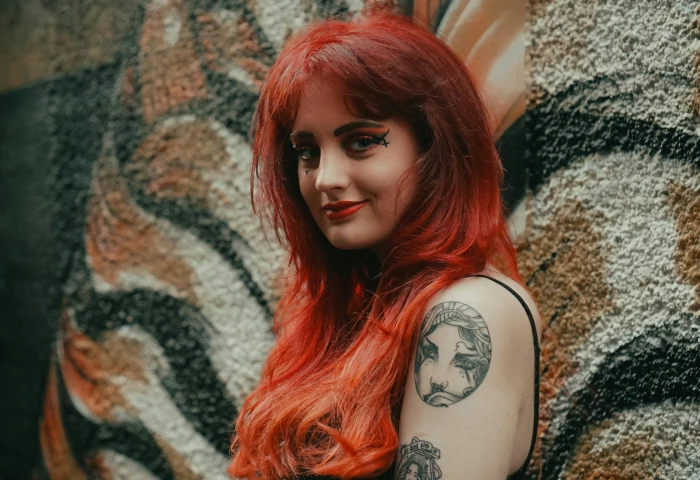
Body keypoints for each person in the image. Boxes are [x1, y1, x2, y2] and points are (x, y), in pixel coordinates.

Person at [228, 10, 541, 480]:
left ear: (434, 149)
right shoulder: (356, 310)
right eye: (307, 152)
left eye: (361, 142)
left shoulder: (467, 312)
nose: (326, 179)